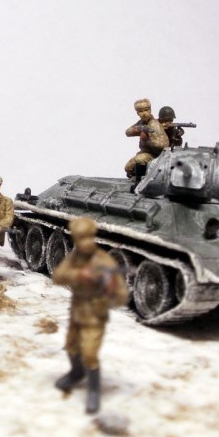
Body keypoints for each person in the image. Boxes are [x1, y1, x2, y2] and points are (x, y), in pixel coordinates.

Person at [52, 217, 128, 414]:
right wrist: (80, 275)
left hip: (95, 313)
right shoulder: (75, 258)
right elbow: (58, 276)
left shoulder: (104, 260)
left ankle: (94, 390)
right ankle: (76, 373)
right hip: (77, 310)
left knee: (90, 354)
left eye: (87, 237)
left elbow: (121, 295)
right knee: (71, 346)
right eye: (80, 238)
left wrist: (110, 290)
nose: (84, 242)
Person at [124, 98, 169, 179]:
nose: (144, 113)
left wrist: (147, 139)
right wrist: (139, 129)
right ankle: (138, 176)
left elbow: (163, 145)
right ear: (137, 113)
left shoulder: (154, 124)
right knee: (128, 168)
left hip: (156, 154)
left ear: (150, 110)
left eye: (146, 110)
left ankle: (140, 180)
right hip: (145, 152)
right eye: (141, 111)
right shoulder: (141, 123)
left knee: (139, 160)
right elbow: (128, 132)